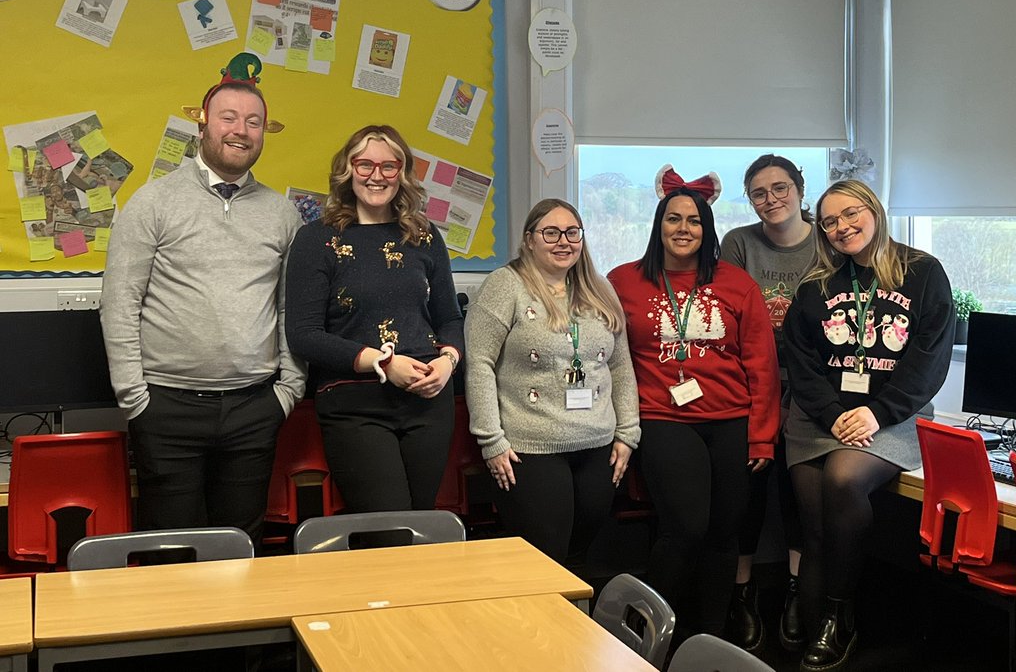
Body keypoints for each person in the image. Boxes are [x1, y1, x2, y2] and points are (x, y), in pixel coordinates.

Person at [101, 69, 304, 542]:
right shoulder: (152, 203)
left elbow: (292, 309)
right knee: (171, 547)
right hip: (167, 407)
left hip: (255, 406)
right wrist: (135, 398)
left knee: (240, 543)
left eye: (254, 122)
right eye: (228, 117)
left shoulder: (282, 213)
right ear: (202, 127)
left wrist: (288, 391)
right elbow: (119, 304)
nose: (241, 130)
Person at [782, 179, 953, 671]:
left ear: (874, 211)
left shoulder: (922, 273)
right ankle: (816, 626)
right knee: (813, 522)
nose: (842, 227)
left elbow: (930, 361)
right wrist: (835, 415)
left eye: (850, 214)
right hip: (820, 418)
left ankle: (842, 619)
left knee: (842, 478)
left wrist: (877, 413)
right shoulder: (817, 286)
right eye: (830, 221)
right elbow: (802, 363)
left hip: (893, 417)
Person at [608, 165, 779, 639]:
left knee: (725, 533)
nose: (683, 229)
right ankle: (647, 634)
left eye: (694, 221)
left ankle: (710, 638)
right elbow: (603, 353)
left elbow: (761, 365)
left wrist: (762, 438)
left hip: (732, 421)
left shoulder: (737, 284)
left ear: (707, 229)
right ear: (658, 226)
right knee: (685, 527)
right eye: (673, 219)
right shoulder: (623, 281)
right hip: (663, 418)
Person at [285, 125, 463, 513]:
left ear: (403, 172)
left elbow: (449, 317)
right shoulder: (317, 239)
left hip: (428, 400)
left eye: (389, 165)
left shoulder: (424, 235)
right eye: (364, 164)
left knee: (421, 523)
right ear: (347, 170)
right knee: (390, 527)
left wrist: (447, 362)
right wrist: (382, 362)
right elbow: (303, 334)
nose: (376, 175)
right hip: (355, 401)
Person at [465, 199, 640, 563]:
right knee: (547, 558)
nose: (564, 241)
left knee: (581, 555)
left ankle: (575, 620)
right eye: (551, 232)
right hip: (531, 447)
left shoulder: (599, 288)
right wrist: (491, 441)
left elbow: (621, 367)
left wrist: (628, 432)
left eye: (572, 232)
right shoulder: (505, 286)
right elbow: (479, 364)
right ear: (529, 239)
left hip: (598, 445)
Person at [720, 154, 815, 653]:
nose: (771, 199)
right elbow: (728, 316)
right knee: (749, 489)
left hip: (812, 388)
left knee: (801, 489)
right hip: (750, 385)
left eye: (781, 188)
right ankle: (742, 593)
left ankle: (798, 592)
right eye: (759, 192)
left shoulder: (827, 242)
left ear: (801, 189)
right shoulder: (738, 243)